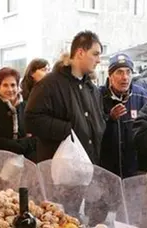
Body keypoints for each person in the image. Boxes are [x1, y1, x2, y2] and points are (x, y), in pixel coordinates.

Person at [25, 31, 106, 163]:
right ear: (80, 53)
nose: (98, 60)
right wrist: (68, 130)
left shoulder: (92, 89)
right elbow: (32, 119)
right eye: (95, 54)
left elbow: (97, 122)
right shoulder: (49, 84)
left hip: (87, 168)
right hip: (59, 170)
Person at [99, 53, 147, 178]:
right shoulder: (98, 95)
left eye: (128, 72)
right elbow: (91, 130)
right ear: (110, 75)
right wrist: (109, 118)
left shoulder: (141, 95)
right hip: (106, 168)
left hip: (133, 168)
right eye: (119, 72)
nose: (125, 77)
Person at [0, 67, 37, 160]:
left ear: (18, 86)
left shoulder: (28, 106)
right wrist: (13, 146)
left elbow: (35, 138)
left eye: (13, 85)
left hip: (24, 161)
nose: (10, 89)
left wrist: (22, 146)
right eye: (5, 85)